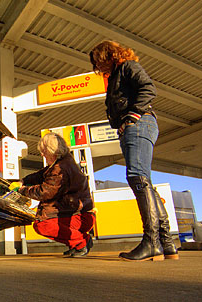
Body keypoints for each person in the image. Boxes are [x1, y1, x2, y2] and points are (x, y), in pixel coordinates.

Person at [89, 40, 178, 261]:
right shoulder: (118, 73)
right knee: (143, 180)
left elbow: (148, 88)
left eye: (98, 62)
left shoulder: (127, 67)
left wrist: (132, 115)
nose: (98, 68)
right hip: (136, 126)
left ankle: (152, 242)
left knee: (137, 177)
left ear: (107, 55)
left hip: (139, 124)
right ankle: (166, 243)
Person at [16, 132, 95, 257]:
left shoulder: (60, 169)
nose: (42, 154)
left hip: (79, 216)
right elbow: (41, 175)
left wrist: (22, 190)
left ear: (53, 150)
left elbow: (45, 192)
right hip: (82, 213)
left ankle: (80, 243)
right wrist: (23, 181)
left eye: (44, 151)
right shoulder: (62, 162)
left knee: (42, 225)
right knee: (43, 222)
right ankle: (79, 242)